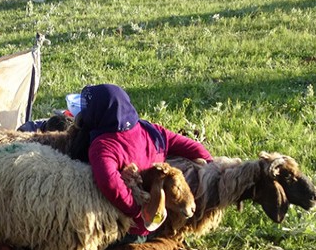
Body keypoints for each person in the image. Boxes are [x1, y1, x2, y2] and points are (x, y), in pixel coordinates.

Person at [69, 83, 213, 241]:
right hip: (154, 218)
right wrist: (210, 164)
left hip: (127, 227)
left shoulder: (104, 146)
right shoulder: (151, 131)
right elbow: (190, 146)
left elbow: (109, 182)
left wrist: (135, 211)